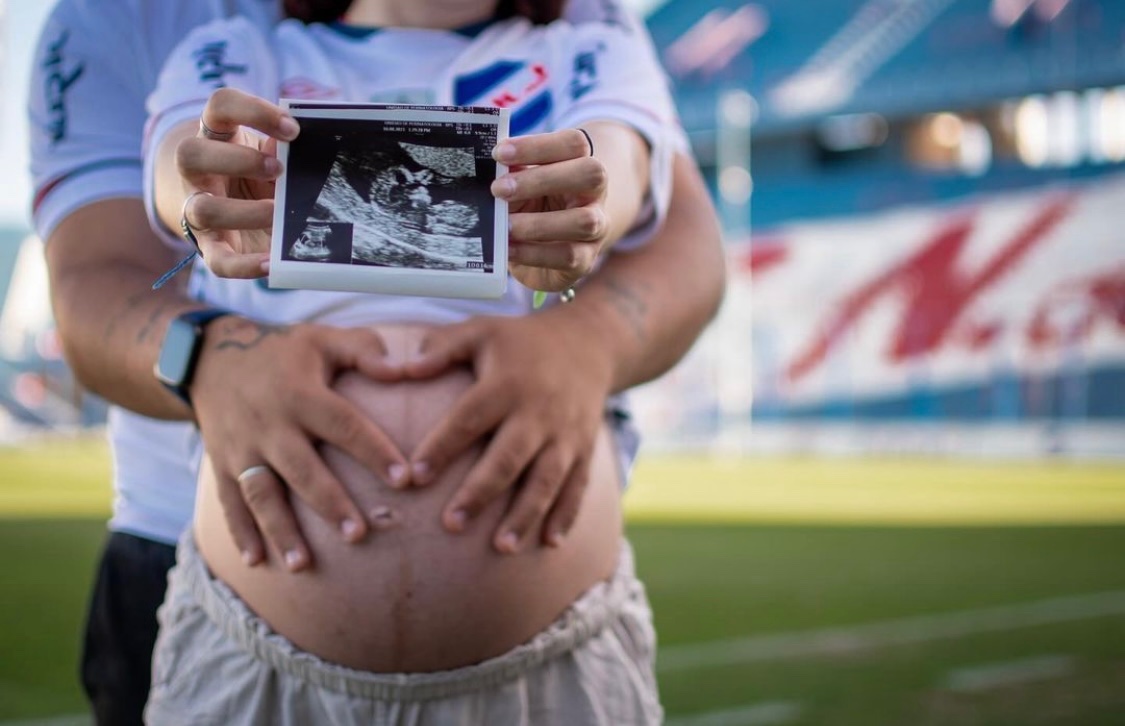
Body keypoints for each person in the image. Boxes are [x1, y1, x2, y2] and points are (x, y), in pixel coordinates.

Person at [27, 0, 724, 723]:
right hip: (244, 620)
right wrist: (197, 196)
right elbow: (184, 153)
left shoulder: (591, 43)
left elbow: (620, 153)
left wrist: (590, 204)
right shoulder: (232, 46)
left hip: (550, 649)